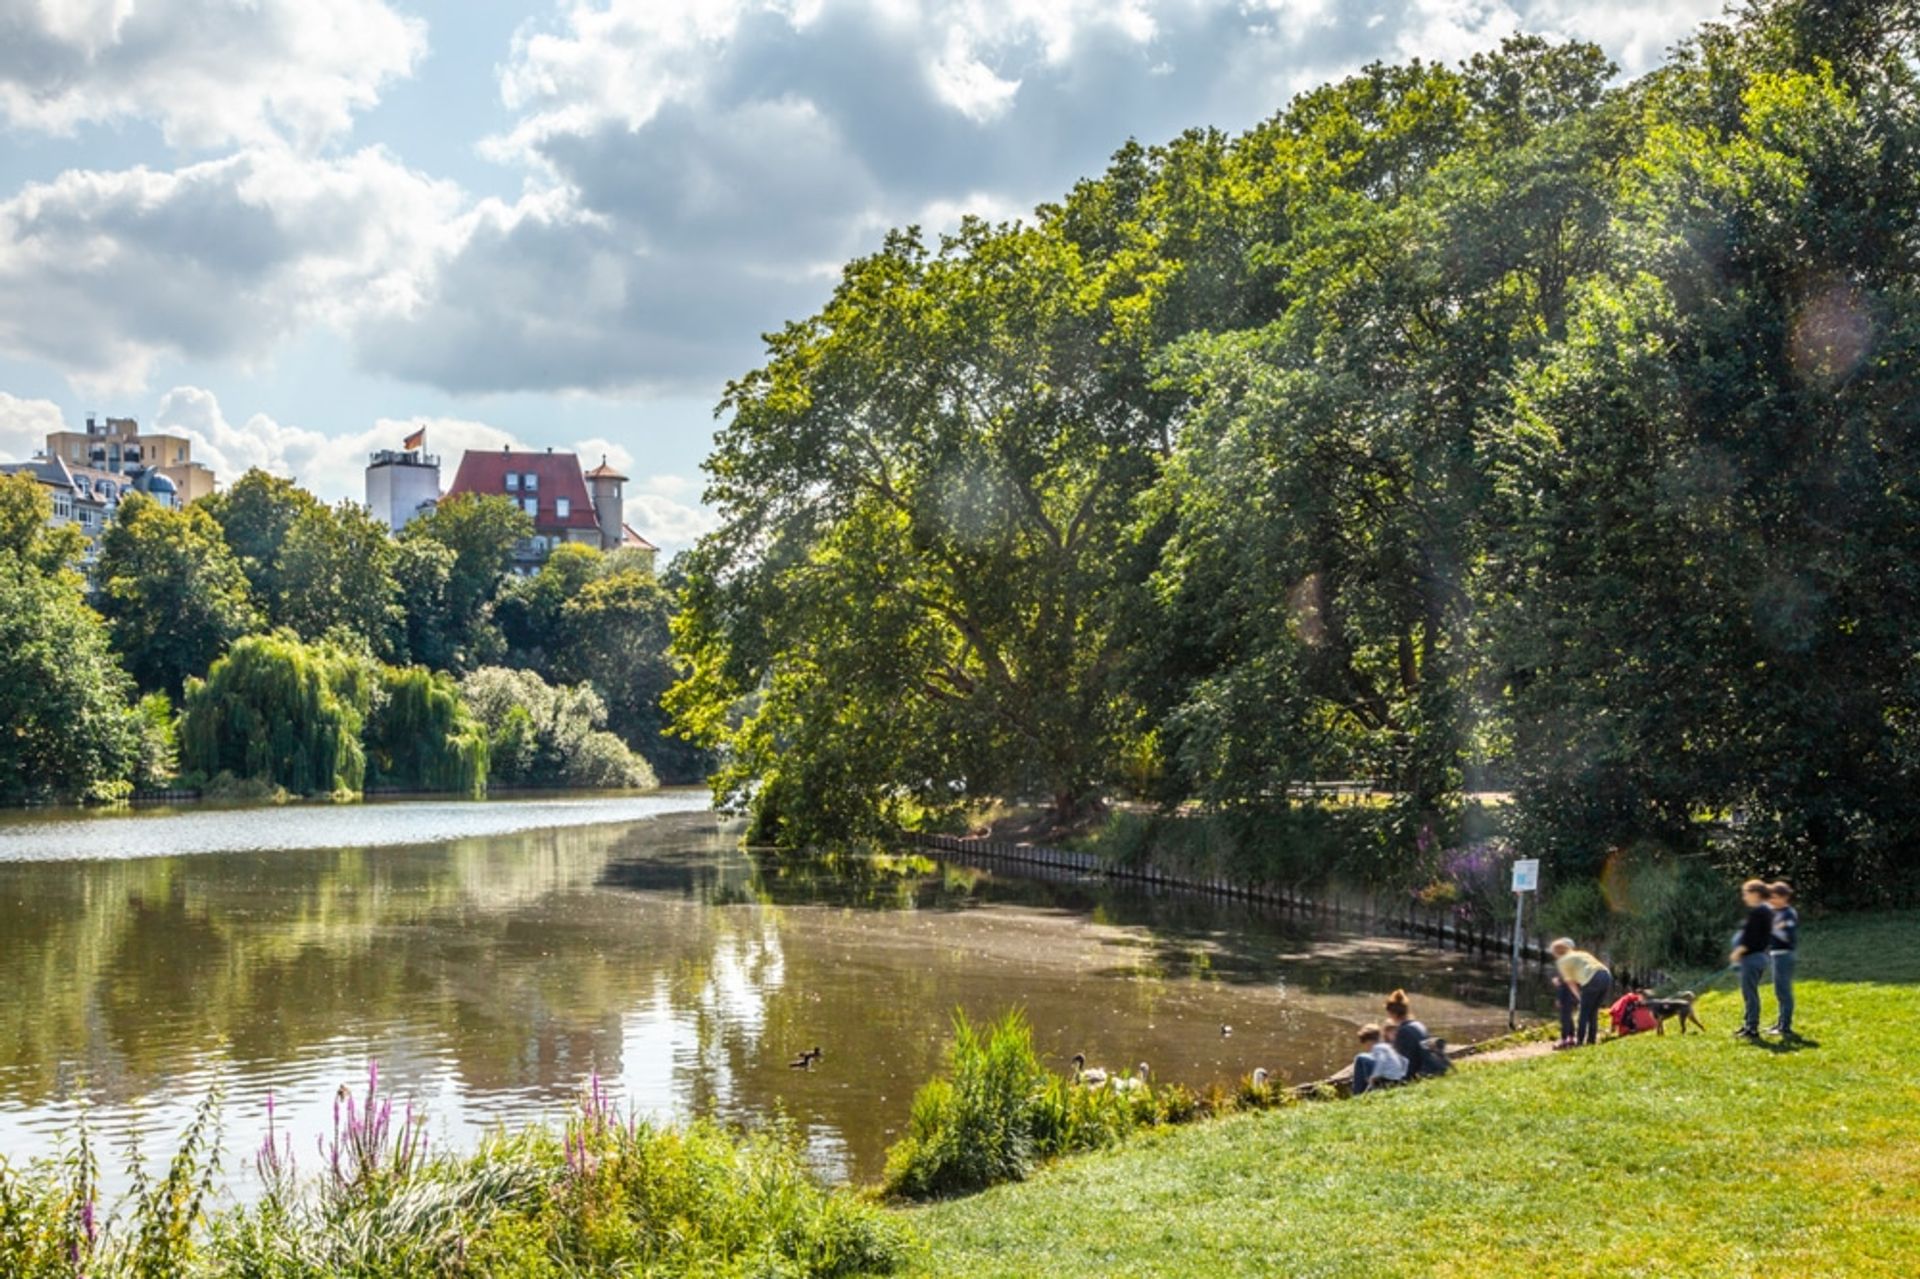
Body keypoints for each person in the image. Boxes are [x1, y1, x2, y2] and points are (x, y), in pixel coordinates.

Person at [1729, 879, 1776, 1039]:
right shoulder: (1767, 910)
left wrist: (1737, 952)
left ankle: (1752, 1028)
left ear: (1755, 893)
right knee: (1749, 993)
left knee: (1750, 994)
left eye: (1745, 893)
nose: (1744, 897)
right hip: (1759, 957)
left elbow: (1752, 938)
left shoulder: (1759, 912)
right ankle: (1748, 1025)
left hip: (1752, 958)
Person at [1550, 938, 1612, 1047]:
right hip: (1606, 975)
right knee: (1593, 1011)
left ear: (1556, 953)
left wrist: (1579, 997)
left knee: (1583, 1013)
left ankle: (1579, 1042)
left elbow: (1570, 983)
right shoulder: (1581, 953)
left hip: (1591, 979)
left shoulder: (1562, 961)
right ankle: (1591, 1040)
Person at [1766, 881, 1799, 1039]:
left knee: (1784, 991)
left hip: (1784, 955)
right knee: (1779, 991)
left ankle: (1785, 1027)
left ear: (1784, 897)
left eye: (1774, 897)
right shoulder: (1775, 913)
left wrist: (1774, 930)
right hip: (1776, 954)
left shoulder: (1789, 914)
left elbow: (1787, 936)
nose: (1771, 900)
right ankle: (1780, 1023)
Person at [1383, 989, 1441, 1077]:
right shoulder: (1418, 1024)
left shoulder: (1404, 1031)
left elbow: (1406, 1064)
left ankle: (1359, 1090)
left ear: (1393, 1014)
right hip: (1426, 1068)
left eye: (1389, 1014)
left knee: (1363, 1060)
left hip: (1416, 1073)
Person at [1350, 1024, 1407, 1096]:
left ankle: (1357, 1093)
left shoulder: (1378, 1048)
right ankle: (1365, 1089)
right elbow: (1404, 1060)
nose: (1366, 1047)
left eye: (1366, 1044)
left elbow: (1381, 1062)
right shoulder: (1387, 1046)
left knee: (1360, 1057)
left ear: (1369, 1041)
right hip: (1397, 1078)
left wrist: (1374, 1077)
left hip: (1387, 1079)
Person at [1551, 975, 1578, 1049]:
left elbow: (1562, 985)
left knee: (1565, 1019)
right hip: (1572, 997)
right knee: (1569, 1018)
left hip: (1566, 998)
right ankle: (1571, 1038)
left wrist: (1559, 999)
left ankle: (1564, 1040)